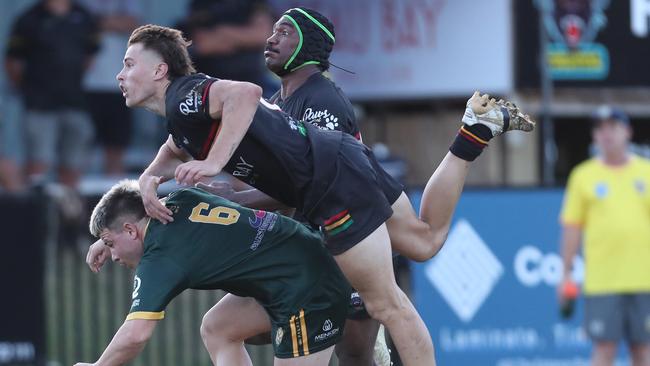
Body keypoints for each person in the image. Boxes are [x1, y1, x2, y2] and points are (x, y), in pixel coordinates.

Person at [114, 24, 534, 365]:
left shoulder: (189, 95)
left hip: (333, 187)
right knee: (424, 243)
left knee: (384, 308)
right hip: (336, 174)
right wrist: (150, 177)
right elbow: (176, 145)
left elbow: (244, 94)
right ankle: (472, 133)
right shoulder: (183, 115)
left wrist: (211, 164)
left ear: (159, 71)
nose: (119, 74)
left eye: (129, 63)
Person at [74, 180, 350, 365]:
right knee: (219, 326)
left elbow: (135, 336)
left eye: (112, 245)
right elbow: (134, 214)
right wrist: (106, 237)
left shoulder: (160, 259)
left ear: (131, 230)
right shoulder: (179, 199)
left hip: (306, 288)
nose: (113, 255)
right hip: (302, 259)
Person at [559, 106, 650, 366]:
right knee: (604, 351)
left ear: (628, 132)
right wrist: (565, 273)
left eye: (613, 127)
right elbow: (572, 228)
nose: (606, 134)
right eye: (600, 128)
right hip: (603, 281)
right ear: (594, 136)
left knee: (643, 352)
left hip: (645, 280)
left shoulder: (647, 172)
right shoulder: (583, 176)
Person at [5, 0, 99, 187]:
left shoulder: (84, 16)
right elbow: (13, 62)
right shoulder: (28, 19)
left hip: (75, 101)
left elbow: (90, 56)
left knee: (73, 163)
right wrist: (29, 90)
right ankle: (35, 209)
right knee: (39, 161)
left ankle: (69, 211)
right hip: (40, 104)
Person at [80, 0, 142, 175]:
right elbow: (82, 25)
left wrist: (99, 22)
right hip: (86, 85)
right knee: (81, 147)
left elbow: (137, 27)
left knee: (116, 145)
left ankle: (116, 197)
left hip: (121, 86)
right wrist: (115, 23)